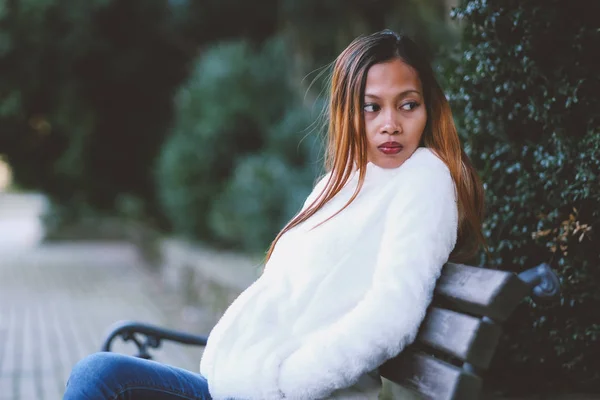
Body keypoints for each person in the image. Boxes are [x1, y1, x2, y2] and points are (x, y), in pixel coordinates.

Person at [64, 29, 485, 400]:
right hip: (240, 385)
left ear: (428, 109)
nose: (389, 124)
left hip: (283, 392)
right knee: (102, 374)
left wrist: (292, 382)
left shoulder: (425, 180)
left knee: (102, 377)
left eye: (406, 105)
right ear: (347, 113)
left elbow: (392, 313)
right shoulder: (340, 184)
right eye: (371, 107)